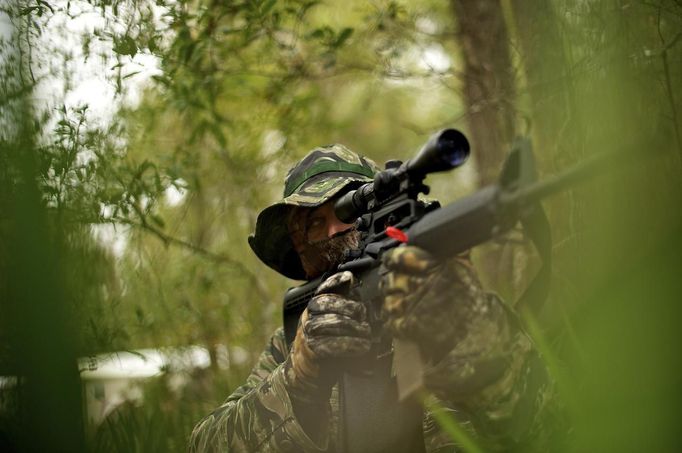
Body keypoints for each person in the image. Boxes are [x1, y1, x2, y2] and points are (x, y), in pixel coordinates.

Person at [189, 144, 552, 452]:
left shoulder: (447, 298)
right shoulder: (294, 344)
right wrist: (299, 380)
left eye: (349, 211)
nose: (334, 230)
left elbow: (552, 425)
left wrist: (468, 330)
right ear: (300, 251)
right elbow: (205, 444)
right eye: (315, 223)